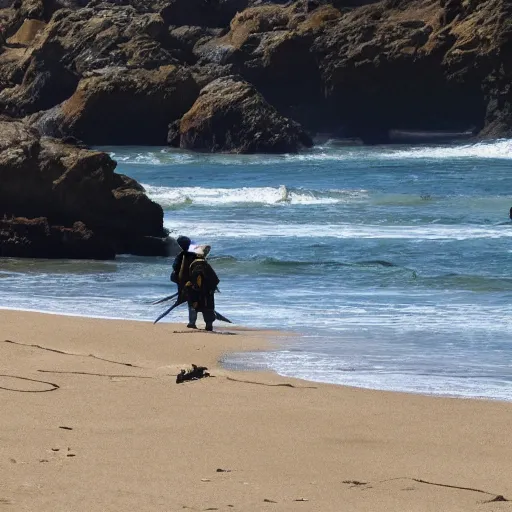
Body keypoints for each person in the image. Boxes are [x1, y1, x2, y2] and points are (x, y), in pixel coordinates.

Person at [184, 245, 219, 331]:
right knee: (208, 307)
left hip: (194, 289)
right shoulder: (205, 264)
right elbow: (214, 278)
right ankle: (208, 325)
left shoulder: (193, 263)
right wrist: (212, 288)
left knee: (193, 305)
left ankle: (192, 323)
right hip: (207, 290)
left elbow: (188, 276)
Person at [170, 236, 198, 329]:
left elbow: (175, 267)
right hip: (194, 281)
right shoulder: (195, 255)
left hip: (183, 282)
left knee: (190, 302)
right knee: (194, 301)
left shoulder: (181, 255)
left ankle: (192, 322)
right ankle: (198, 321)